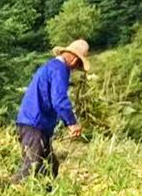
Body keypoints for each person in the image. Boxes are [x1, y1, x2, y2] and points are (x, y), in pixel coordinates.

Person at [13, 40, 88, 183]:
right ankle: (12, 190)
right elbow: (59, 100)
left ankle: (44, 194)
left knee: (50, 167)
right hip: (34, 124)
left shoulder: (52, 66)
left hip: (36, 123)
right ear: (74, 59)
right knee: (30, 169)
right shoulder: (59, 70)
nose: (75, 68)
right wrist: (72, 123)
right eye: (78, 64)